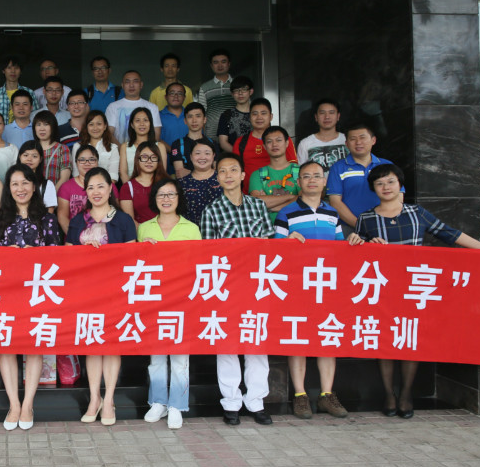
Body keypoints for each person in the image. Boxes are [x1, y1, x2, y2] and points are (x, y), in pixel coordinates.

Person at [349, 163, 480, 419]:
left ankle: (405, 394)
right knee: (384, 342)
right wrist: (364, 243)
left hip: (413, 288)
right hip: (382, 288)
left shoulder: (417, 213)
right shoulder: (366, 218)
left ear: (400, 184)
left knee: (409, 341)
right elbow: (357, 253)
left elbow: (450, 234)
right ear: (373, 188)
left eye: (390, 182)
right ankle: (389, 394)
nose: (385, 187)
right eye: (380, 183)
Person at [200, 152, 275, 426]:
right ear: (217, 178)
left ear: (243, 175)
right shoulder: (211, 211)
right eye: (222, 171)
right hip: (227, 288)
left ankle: (256, 402)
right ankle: (231, 403)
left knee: (256, 343)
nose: (228, 175)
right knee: (228, 345)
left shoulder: (258, 206)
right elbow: (209, 256)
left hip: (257, 285)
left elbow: (268, 245)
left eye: (233, 170)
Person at [0, 164, 61, 431]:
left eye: (25, 183)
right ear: (9, 188)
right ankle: (14, 404)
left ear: (34, 186)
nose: (21, 188)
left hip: (36, 294)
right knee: (6, 346)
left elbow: (58, 258)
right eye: (15, 184)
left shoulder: (48, 220)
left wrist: (36, 254)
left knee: (33, 346)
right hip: (5, 293)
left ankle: (28, 404)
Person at [273, 161, 349, 420]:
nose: (312, 180)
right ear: (299, 182)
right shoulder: (286, 213)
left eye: (317, 176)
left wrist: (353, 241)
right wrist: (287, 242)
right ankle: (300, 395)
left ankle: (327, 394)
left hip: (326, 285)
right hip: (297, 285)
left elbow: (340, 248)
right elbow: (275, 250)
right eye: (306, 176)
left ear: (324, 182)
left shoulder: (333, 213)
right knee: (298, 337)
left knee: (327, 335)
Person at [66, 167, 137, 426]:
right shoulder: (78, 221)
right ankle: (94, 398)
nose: (95, 192)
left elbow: (131, 258)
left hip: (115, 291)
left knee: (112, 345)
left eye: (100, 186)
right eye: (90, 187)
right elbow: (66, 257)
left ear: (110, 189)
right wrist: (83, 251)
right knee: (93, 344)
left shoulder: (124, 220)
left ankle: (109, 400)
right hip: (86, 292)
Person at [138, 178, 200, 429]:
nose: (166, 199)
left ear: (178, 198)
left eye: (171, 194)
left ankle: (177, 405)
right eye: (161, 195)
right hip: (153, 300)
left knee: (180, 356)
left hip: (182, 299)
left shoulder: (191, 228)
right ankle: (158, 402)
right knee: (156, 356)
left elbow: (198, 265)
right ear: (154, 199)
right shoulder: (144, 228)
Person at [327, 123, 397, 234]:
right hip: (349, 228)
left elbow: (398, 197)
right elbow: (335, 202)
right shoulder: (338, 168)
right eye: (353, 139)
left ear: (373, 140)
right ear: (346, 144)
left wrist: (384, 223)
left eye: (362, 137)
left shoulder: (387, 165)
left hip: (384, 227)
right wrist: (361, 226)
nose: (358, 142)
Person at [232, 98, 298, 194]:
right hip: (249, 195)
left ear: (271, 116)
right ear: (249, 117)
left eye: (263, 113)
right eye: (255, 114)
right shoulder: (240, 142)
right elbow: (234, 170)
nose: (259, 117)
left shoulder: (284, 139)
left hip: (282, 191)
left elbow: (293, 168)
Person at [57, 144, 120, 234]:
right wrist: (76, 237)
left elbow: (116, 213)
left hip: (106, 237)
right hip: (75, 238)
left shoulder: (109, 186)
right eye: (82, 160)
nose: (87, 163)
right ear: (76, 162)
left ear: (97, 162)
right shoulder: (66, 187)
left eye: (92, 159)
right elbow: (62, 217)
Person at [248, 126, 300, 223]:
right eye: (269, 141)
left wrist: (270, 206)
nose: (274, 144)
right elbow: (256, 203)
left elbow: (304, 200)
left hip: (295, 227)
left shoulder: (299, 172)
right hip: (267, 229)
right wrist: (292, 197)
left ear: (287, 143)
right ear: (264, 146)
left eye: (279, 140)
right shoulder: (257, 174)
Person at [105, 70, 162, 144]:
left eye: (135, 81)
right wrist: (121, 149)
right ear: (122, 85)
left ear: (141, 85)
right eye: (127, 82)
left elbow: (156, 135)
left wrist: (144, 149)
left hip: (145, 150)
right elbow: (108, 134)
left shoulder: (152, 107)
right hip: (119, 150)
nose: (131, 85)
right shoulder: (113, 107)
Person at [120, 141, 167, 225]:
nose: (149, 161)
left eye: (153, 157)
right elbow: (130, 221)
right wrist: (146, 232)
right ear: (137, 159)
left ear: (158, 160)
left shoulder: (167, 184)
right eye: (144, 157)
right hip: (140, 232)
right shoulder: (128, 187)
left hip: (167, 231)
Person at [177, 138, 222, 226]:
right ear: (191, 156)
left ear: (213, 155)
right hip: (191, 231)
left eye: (207, 153)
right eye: (197, 153)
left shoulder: (223, 179)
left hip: (220, 230)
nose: (202, 157)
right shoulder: (182, 183)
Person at [118, 108, 168, 186]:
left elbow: (161, 172)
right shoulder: (125, 147)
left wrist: (153, 190)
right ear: (132, 125)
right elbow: (123, 173)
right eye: (137, 120)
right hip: (131, 188)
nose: (142, 124)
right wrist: (131, 189)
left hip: (154, 188)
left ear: (150, 124)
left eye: (145, 120)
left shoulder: (160, 146)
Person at [0, 56, 39, 123]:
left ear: (20, 71)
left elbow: (36, 117)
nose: (13, 71)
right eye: (9, 68)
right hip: (0, 130)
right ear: (3, 71)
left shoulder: (29, 92)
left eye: (16, 68)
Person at [170, 102, 219, 178]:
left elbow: (216, 172)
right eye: (190, 117)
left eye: (198, 116)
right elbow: (180, 174)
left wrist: (190, 172)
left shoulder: (213, 143)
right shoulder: (177, 144)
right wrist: (206, 172)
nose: (194, 120)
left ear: (204, 119)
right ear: (185, 121)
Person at [197, 49, 235, 140]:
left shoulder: (238, 85)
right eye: (216, 62)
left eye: (223, 62)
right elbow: (200, 113)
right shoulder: (205, 87)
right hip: (212, 136)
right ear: (211, 65)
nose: (220, 65)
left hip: (235, 134)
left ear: (229, 64)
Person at [73, 110, 119, 182]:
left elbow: (113, 176)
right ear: (86, 127)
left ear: (105, 126)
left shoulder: (113, 148)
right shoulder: (77, 146)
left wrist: (99, 187)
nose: (95, 128)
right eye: (91, 124)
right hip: (81, 186)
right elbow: (76, 173)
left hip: (105, 187)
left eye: (99, 124)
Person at [32, 111, 71, 189]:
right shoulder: (30, 148)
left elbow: (65, 178)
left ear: (53, 127)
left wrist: (51, 194)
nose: (42, 129)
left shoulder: (62, 149)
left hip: (55, 194)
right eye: (38, 124)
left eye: (46, 124)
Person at [217, 76, 255, 152]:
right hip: (235, 157)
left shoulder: (258, 114)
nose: (240, 93)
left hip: (257, 155)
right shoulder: (226, 115)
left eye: (244, 89)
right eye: (236, 90)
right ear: (232, 94)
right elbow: (223, 143)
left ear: (251, 91)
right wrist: (238, 155)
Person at [17, 141, 57, 213]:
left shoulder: (47, 185)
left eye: (34, 156)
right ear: (20, 157)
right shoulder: (11, 182)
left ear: (40, 159)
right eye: (25, 155)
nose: (29, 159)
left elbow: (49, 214)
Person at [158, 83, 190, 152]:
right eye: (172, 93)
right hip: (167, 157)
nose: (176, 96)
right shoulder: (158, 116)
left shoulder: (190, 115)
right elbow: (156, 139)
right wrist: (174, 153)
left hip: (190, 157)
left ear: (184, 97)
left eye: (180, 93)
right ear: (166, 97)